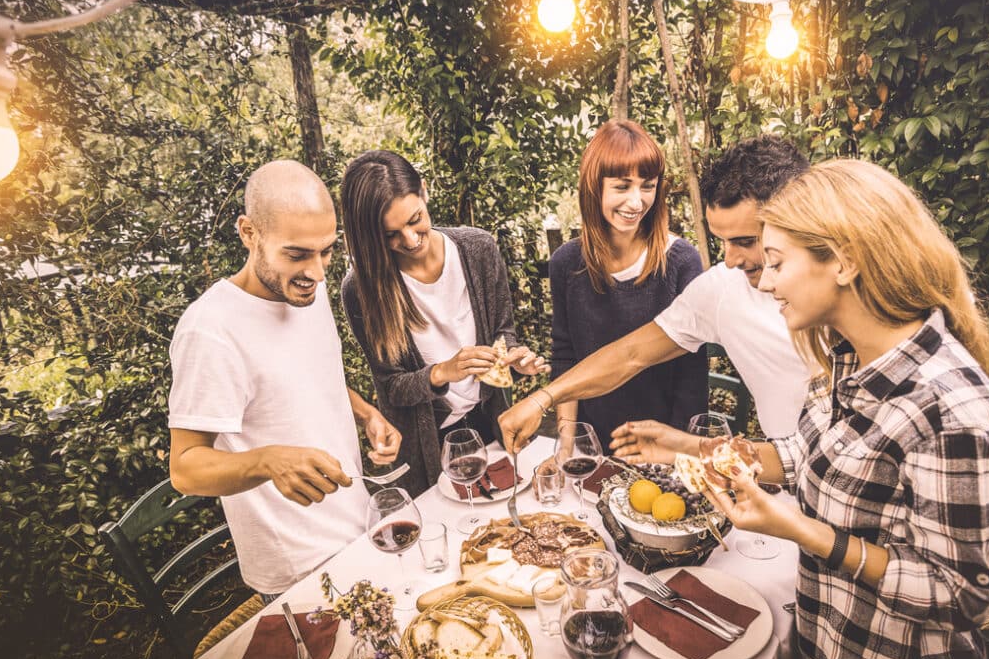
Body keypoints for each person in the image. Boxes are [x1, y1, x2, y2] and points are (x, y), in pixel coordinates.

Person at [702, 159, 989, 659]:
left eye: (778, 262)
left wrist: (800, 530)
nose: (765, 280)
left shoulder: (953, 414)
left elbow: (960, 596)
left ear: (845, 261)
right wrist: (712, 456)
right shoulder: (851, 359)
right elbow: (815, 457)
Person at [168, 160, 401, 599]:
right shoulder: (210, 330)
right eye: (297, 254)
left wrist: (367, 412)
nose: (317, 271)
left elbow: (299, 378)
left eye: (327, 250)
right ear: (249, 233)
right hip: (301, 568)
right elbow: (185, 468)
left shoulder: (305, 287)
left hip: (358, 528)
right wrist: (269, 460)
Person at [501, 134, 813, 459]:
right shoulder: (722, 288)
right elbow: (630, 354)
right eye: (722, 241)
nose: (730, 259)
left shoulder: (847, 298)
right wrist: (542, 399)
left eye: (746, 241)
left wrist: (684, 447)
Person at [339, 150, 548, 497]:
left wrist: (513, 357)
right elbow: (390, 386)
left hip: (490, 423)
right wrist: (442, 372)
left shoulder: (478, 249)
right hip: (427, 447)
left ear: (424, 191)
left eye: (415, 219)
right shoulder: (360, 289)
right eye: (390, 234)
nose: (409, 240)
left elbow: (502, 332)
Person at [547, 120, 706, 448]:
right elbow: (565, 357)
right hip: (591, 444)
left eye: (647, 186)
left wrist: (675, 451)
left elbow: (693, 376)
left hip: (662, 445)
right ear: (594, 187)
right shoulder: (565, 264)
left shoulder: (682, 261)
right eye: (622, 186)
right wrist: (566, 446)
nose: (636, 202)